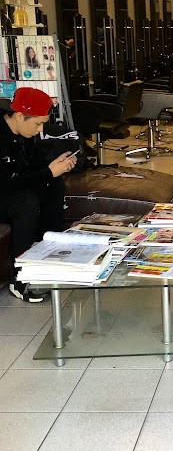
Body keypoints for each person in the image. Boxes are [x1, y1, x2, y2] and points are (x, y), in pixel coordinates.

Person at [0, 87, 78, 302]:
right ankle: (20, 277)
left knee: (53, 185)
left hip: (9, 191)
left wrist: (56, 166)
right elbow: (6, 186)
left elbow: (32, 169)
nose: (40, 129)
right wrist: (48, 172)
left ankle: (49, 256)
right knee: (26, 201)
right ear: (19, 116)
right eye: (37, 123)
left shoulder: (24, 135)